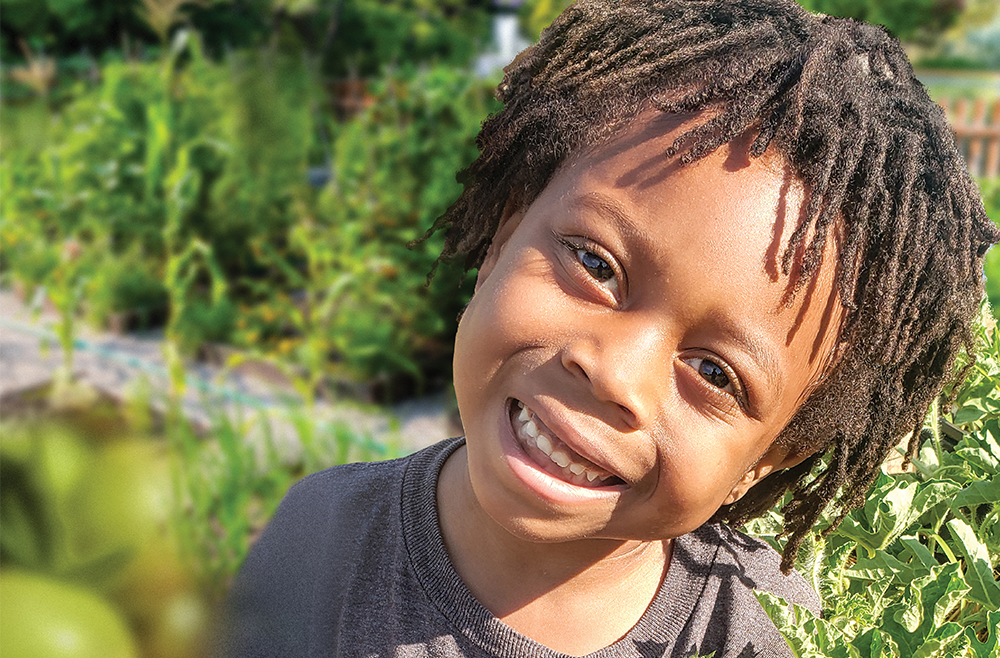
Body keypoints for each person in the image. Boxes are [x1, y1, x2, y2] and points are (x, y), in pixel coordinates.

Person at [216, 1, 999, 656]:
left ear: (768, 460)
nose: (615, 372)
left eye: (717, 373)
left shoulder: (767, 635)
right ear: (501, 243)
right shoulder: (316, 541)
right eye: (595, 264)